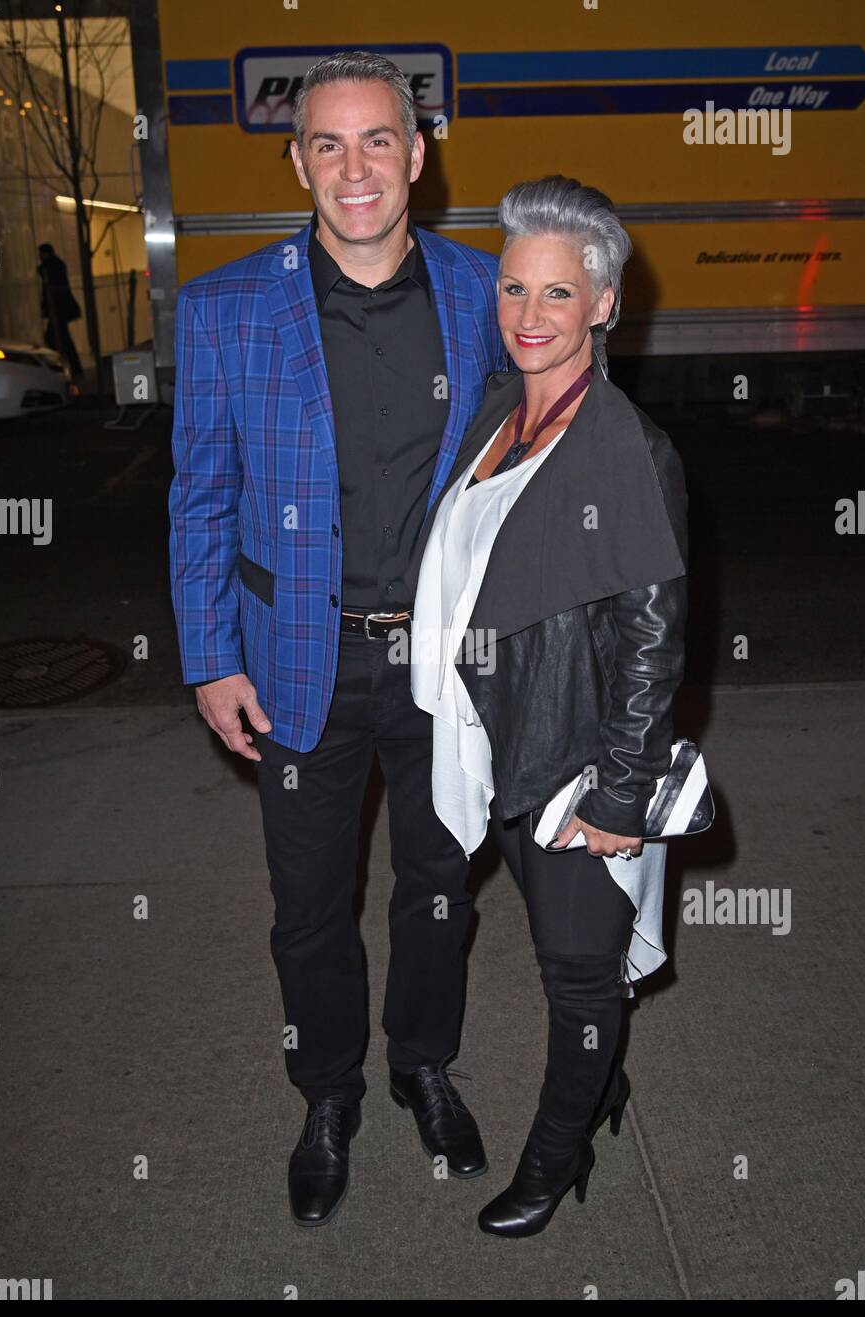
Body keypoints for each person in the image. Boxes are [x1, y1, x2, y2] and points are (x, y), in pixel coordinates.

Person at [168, 52, 506, 1228]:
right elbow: (200, 496)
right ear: (297, 161)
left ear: (418, 156)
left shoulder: (486, 296)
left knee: (436, 888)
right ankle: (326, 1093)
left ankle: (422, 1061)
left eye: (378, 141)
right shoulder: (222, 308)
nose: (353, 167)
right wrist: (210, 654)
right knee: (308, 905)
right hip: (297, 662)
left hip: (445, 669)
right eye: (327, 144)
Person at [408, 175, 689, 1238]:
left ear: (604, 304)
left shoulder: (625, 451)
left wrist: (620, 796)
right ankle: (598, 1090)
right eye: (512, 290)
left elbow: (654, 646)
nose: (528, 317)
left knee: (576, 981)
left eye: (557, 296)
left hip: (578, 765)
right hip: (508, 746)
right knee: (550, 956)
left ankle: (553, 1151)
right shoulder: (498, 415)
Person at [37, 243, 83, 378]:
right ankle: (71, 367)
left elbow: (51, 289)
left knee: (56, 338)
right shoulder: (56, 265)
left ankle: (64, 367)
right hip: (59, 310)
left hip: (58, 310)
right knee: (62, 339)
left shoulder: (53, 266)